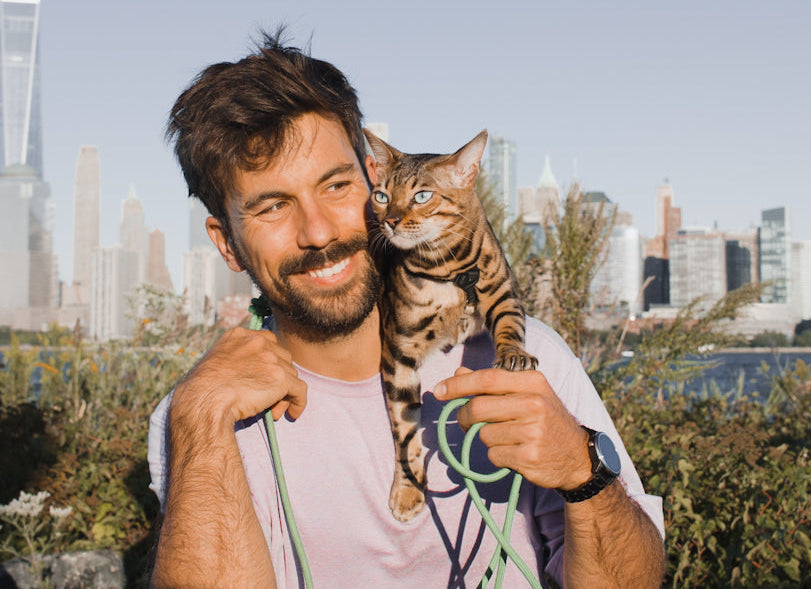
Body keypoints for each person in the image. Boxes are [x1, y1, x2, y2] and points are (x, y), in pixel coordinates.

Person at [148, 30, 666, 588]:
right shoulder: (204, 415)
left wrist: (581, 472)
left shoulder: (527, 356)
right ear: (226, 243)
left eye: (337, 185)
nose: (319, 232)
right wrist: (198, 421)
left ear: (376, 181)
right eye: (274, 206)